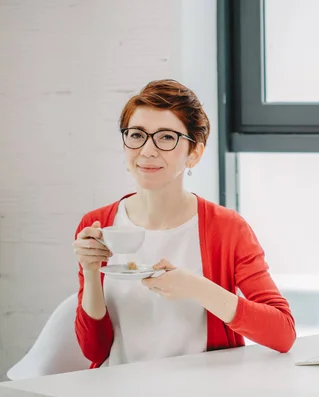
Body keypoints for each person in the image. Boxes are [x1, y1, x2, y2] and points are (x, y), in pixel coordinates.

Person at [72, 79, 296, 368]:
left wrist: (196, 287)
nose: (147, 151)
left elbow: (283, 333)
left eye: (166, 137)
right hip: (119, 394)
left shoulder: (228, 228)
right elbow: (94, 351)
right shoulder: (97, 224)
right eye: (137, 134)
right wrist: (91, 273)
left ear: (195, 153)